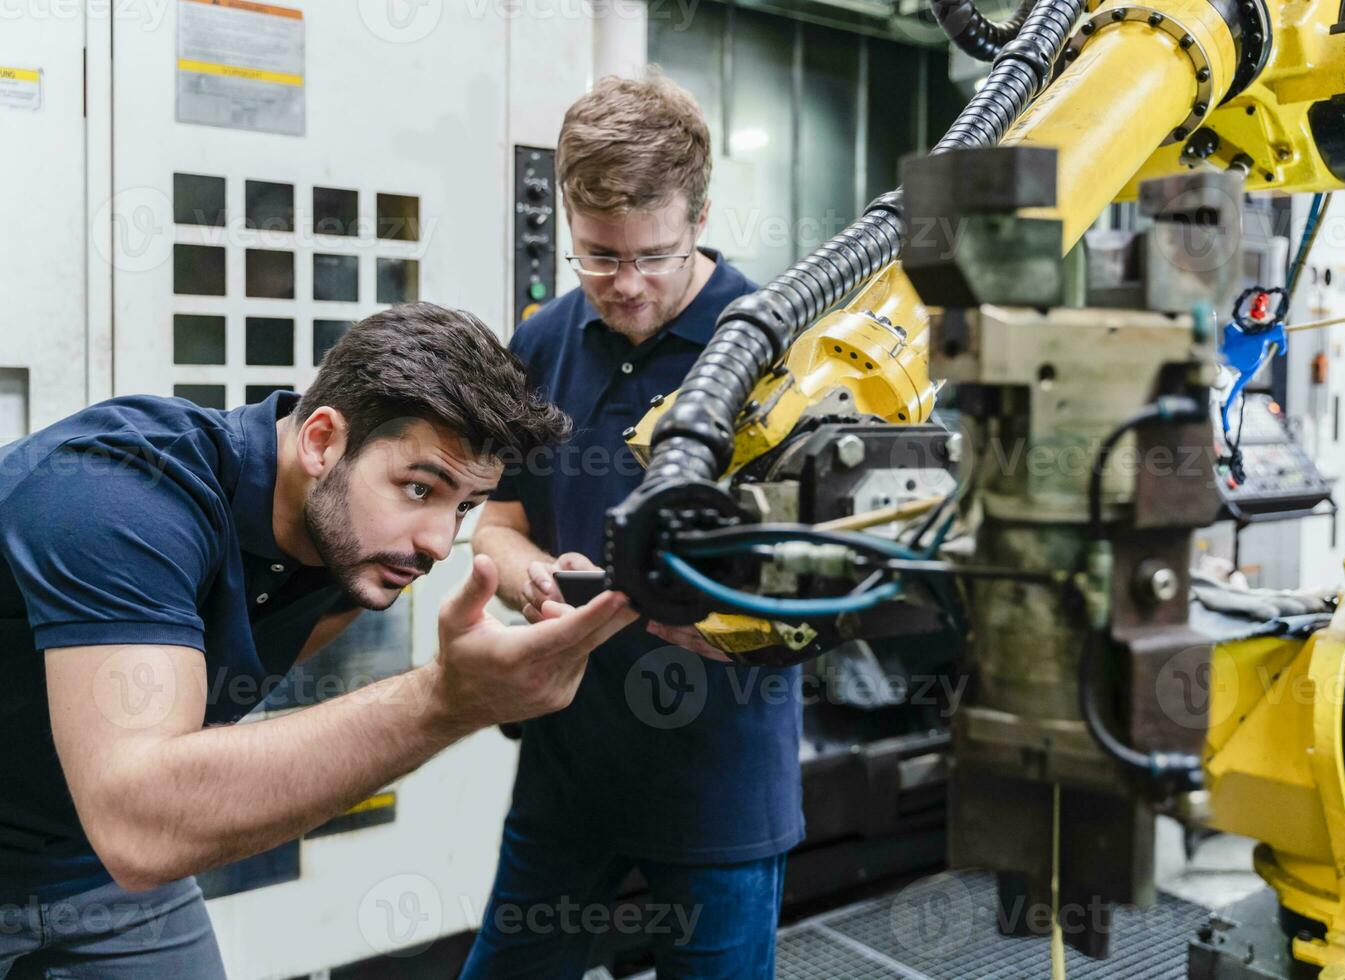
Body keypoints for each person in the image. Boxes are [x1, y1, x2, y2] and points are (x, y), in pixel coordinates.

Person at [0, 302, 636, 976]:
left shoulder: (348, 551)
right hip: (117, 837)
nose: (439, 543)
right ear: (321, 441)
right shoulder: (119, 500)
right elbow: (143, 823)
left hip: (94, 870)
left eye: (465, 507)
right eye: (419, 487)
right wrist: (448, 699)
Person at [461, 73, 803, 979]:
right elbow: (496, 520)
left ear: (699, 216)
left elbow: (826, 578)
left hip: (718, 778)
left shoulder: (779, 354)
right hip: (567, 766)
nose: (625, 285)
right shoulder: (542, 342)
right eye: (598, 256)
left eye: (651, 256)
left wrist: (729, 623)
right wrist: (534, 574)